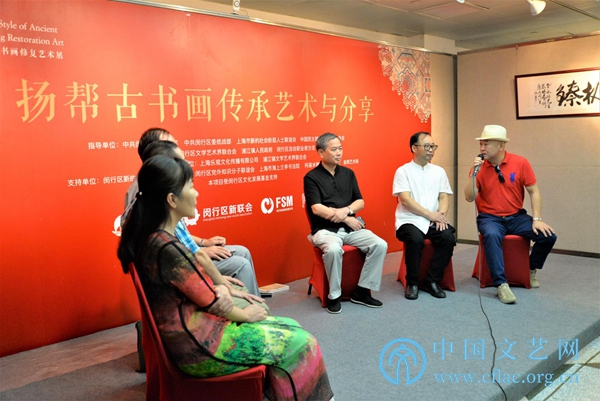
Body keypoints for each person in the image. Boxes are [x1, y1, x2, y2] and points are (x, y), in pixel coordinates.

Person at [118, 155, 333, 401]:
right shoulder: (168, 249)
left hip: (199, 335)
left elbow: (205, 293)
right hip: (203, 347)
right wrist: (242, 311)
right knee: (303, 342)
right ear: (172, 199)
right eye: (191, 186)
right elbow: (213, 301)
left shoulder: (156, 239)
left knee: (292, 327)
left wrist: (221, 292)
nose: (197, 193)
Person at [123, 128, 262, 298]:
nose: (196, 193)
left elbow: (179, 236)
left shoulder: (147, 191)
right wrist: (220, 284)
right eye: (190, 187)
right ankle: (254, 305)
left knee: (242, 252)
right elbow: (184, 254)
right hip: (182, 274)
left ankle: (254, 302)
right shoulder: (156, 199)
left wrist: (203, 243)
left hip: (183, 266)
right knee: (240, 264)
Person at [464, 125, 557, 304]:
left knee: (548, 236)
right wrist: (473, 175)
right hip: (490, 217)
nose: (482, 148)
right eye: (480, 144)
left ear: (501, 145)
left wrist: (537, 219)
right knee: (491, 235)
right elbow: (469, 197)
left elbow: (534, 191)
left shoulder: (520, 163)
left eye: (486, 144)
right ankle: (501, 284)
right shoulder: (478, 167)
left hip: (516, 216)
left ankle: (530, 269)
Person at [304, 132, 387, 314]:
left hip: (351, 229)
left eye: (340, 149)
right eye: (334, 149)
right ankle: (334, 295)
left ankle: (362, 291)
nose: (339, 153)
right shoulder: (311, 177)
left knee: (380, 244)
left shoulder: (348, 173)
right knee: (334, 249)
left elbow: (360, 202)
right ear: (321, 152)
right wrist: (346, 217)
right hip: (325, 230)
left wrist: (347, 211)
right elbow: (317, 208)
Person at [393, 132, 456, 300]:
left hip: (434, 219)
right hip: (409, 219)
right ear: (414, 148)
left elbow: (444, 197)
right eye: (427, 146)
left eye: (433, 146)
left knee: (448, 238)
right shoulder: (403, 171)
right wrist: (430, 215)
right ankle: (412, 283)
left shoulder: (439, 171)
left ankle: (432, 281)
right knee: (415, 239)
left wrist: (440, 215)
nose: (431, 150)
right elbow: (405, 200)